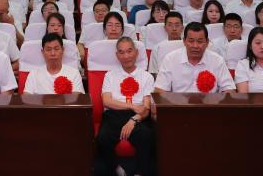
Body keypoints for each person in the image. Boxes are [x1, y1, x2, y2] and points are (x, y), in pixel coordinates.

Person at [97, 37, 155, 176]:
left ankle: (140, 172)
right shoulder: (110, 75)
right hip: (114, 115)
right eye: (121, 52)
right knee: (102, 138)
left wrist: (133, 120)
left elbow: (146, 108)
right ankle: (117, 169)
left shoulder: (146, 76)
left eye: (129, 51)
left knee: (146, 136)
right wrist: (133, 106)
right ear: (117, 55)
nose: (126, 56)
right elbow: (107, 101)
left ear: (136, 52)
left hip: (138, 117)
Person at [155, 22, 234, 93]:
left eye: (200, 41)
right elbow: (160, 90)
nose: (195, 46)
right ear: (184, 41)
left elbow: (229, 89)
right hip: (178, 103)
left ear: (207, 42)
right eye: (191, 41)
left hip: (209, 103)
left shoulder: (217, 60)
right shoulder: (170, 59)